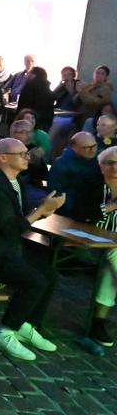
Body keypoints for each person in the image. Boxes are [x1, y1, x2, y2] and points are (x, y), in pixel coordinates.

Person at [0, 138, 66, 361]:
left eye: (27, 153)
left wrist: (45, 210)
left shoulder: (17, 181)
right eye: (21, 154)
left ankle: (25, 324)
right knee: (35, 281)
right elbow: (10, 227)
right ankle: (4, 332)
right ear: (3, 157)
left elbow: (21, 218)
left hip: (9, 248)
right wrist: (41, 210)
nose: (27, 157)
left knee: (50, 274)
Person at [90, 147, 117, 346]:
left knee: (111, 271)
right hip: (92, 240)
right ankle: (97, 321)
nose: (115, 167)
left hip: (113, 245)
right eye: (110, 163)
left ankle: (98, 320)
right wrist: (113, 205)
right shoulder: (93, 186)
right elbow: (87, 215)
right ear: (100, 166)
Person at [48, 132, 103, 222]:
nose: (92, 150)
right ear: (74, 147)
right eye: (86, 148)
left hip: (96, 209)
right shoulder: (62, 164)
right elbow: (56, 192)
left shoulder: (99, 160)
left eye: (94, 146)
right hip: (71, 214)